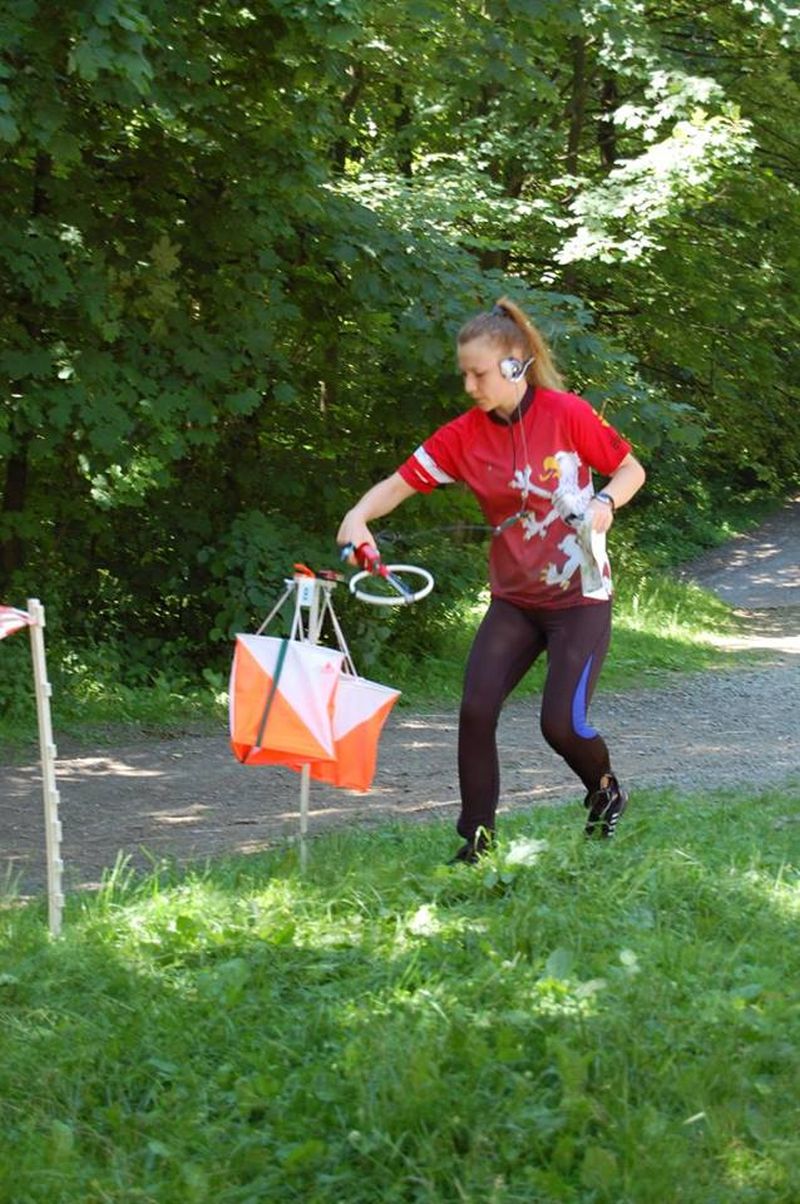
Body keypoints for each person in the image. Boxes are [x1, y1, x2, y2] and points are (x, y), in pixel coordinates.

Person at [337, 297, 646, 863]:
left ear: (513, 365)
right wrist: (358, 516)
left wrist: (605, 501)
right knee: (476, 711)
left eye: (478, 374)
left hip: (580, 598)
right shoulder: (463, 436)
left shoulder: (567, 414)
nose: (469, 386)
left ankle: (605, 789)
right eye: (464, 374)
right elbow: (399, 484)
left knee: (561, 725)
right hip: (515, 602)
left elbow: (631, 468)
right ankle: (476, 841)